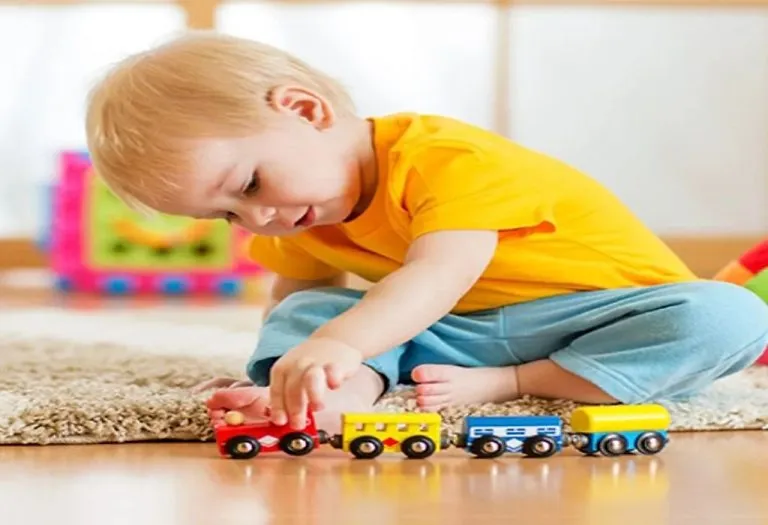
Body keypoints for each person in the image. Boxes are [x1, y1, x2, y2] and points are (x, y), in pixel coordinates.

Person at [84, 31, 768, 433]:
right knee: (310, 311)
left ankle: (519, 381)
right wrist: (299, 360)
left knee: (730, 316)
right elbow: (299, 294)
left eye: (251, 184)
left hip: (599, 315)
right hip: (454, 330)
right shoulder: (302, 211)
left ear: (304, 109)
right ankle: (335, 396)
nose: (254, 218)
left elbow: (439, 273)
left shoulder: (447, 159)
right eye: (225, 215)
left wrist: (339, 340)